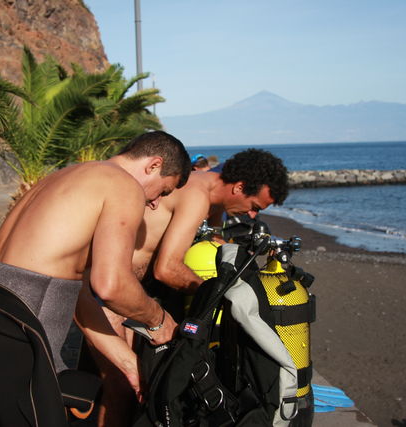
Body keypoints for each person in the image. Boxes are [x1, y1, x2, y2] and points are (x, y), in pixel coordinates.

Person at [0, 131, 191, 426]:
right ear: (153, 164)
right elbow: (111, 285)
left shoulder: (65, 176)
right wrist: (159, 320)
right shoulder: (124, 186)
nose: (154, 204)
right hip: (17, 329)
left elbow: (82, 296)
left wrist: (130, 366)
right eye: (163, 191)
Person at [76, 148, 289, 426]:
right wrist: (218, 295)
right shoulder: (197, 196)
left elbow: (212, 246)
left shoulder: (212, 202)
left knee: (134, 386)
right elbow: (167, 269)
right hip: (109, 291)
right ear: (238, 187)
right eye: (254, 206)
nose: (251, 216)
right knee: (121, 386)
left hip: (130, 293)